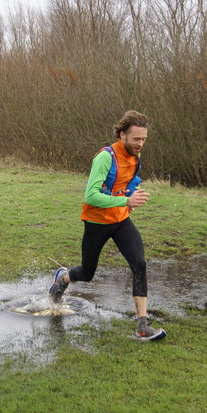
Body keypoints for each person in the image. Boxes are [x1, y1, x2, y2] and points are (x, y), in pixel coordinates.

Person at [49, 110, 166, 342]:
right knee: (87, 273)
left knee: (139, 264)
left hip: (120, 220)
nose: (140, 144)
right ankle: (63, 278)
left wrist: (130, 196)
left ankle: (142, 326)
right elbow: (91, 196)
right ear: (122, 134)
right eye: (136, 139)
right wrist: (126, 200)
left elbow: (127, 182)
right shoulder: (105, 157)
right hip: (96, 222)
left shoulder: (134, 156)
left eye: (144, 139)